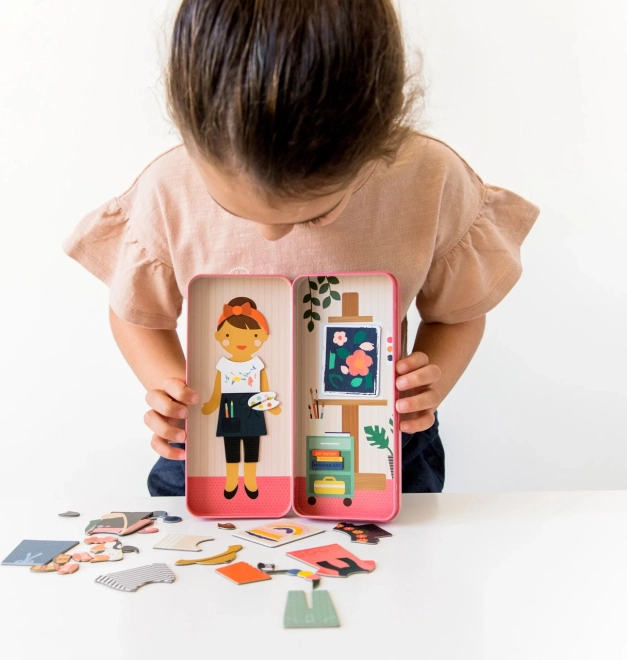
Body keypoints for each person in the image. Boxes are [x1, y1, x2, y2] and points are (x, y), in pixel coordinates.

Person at [63, 0, 540, 496]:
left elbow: (457, 313)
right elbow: (137, 314)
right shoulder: (169, 189)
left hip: (376, 447)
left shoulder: (429, 181)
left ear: (376, 138)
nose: (271, 234)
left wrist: (431, 382)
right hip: (212, 448)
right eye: (234, 209)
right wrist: (170, 390)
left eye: (312, 215)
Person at [200, 296, 281, 499]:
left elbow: (264, 388)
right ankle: (231, 481)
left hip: (253, 406)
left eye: (252, 335)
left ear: (262, 337)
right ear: (218, 336)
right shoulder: (223, 365)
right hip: (229, 406)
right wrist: (211, 404)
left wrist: (272, 405)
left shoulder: (257, 364)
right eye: (229, 335)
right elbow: (217, 389)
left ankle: (251, 481)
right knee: (231, 447)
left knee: (252, 447)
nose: (241, 342)